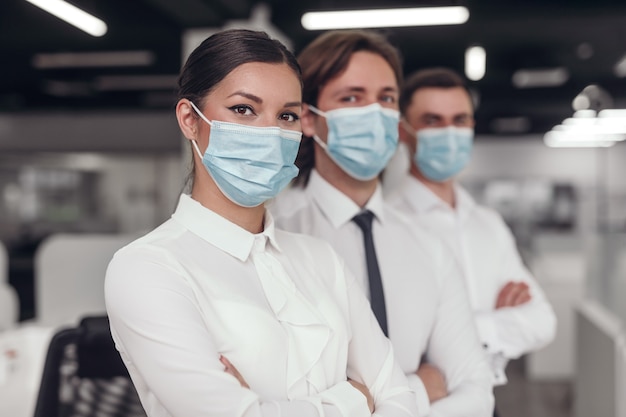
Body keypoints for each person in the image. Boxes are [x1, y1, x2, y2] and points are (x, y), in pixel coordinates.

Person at [104, 29, 419, 417]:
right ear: (189, 119)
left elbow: (399, 397)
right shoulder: (147, 268)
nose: (270, 132)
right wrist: (353, 400)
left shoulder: (321, 259)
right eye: (243, 109)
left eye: (286, 115)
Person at [269, 30, 494, 417]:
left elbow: (475, 392)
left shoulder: (429, 244)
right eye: (352, 97)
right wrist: (419, 391)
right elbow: (278, 402)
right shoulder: (277, 238)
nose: (374, 113)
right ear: (308, 117)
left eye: (386, 98)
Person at [387, 67, 557, 392]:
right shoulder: (387, 223)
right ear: (403, 131)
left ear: (472, 127)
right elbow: (397, 342)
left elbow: (542, 322)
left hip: (486, 402)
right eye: (433, 121)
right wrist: (498, 323)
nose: (449, 132)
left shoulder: (488, 223)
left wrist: (453, 331)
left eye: (460, 120)